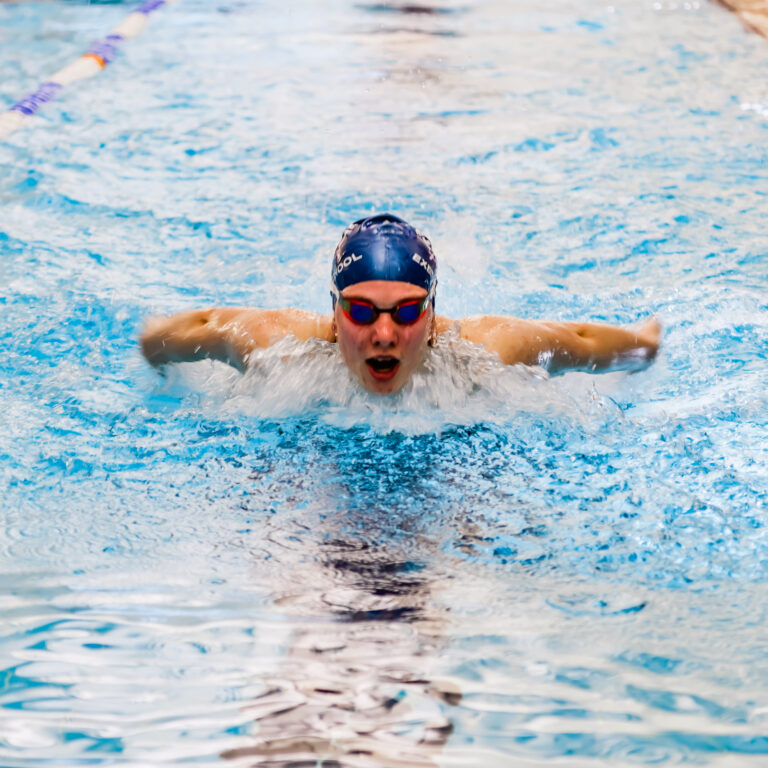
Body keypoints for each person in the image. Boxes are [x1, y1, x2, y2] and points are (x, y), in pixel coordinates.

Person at [140, 213, 660, 395]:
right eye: (362, 311)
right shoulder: (279, 345)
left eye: (407, 311)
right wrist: (155, 355)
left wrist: (645, 345)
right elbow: (194, 329)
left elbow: (579, 341)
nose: (384, 334)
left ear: (433, 317)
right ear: (334, 313)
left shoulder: (485, 351)